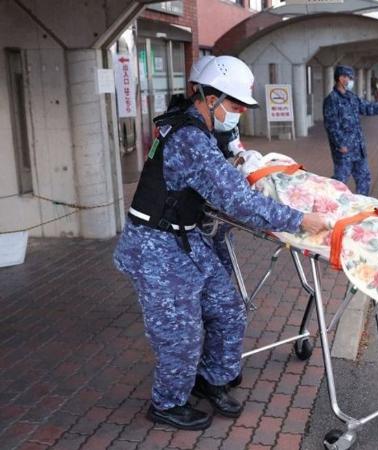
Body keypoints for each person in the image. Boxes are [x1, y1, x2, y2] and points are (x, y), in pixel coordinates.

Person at [113, 55, 328, 430]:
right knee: (181, 331)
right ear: (208, 97)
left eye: (243, 106)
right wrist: (298, 220)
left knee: (227, 308)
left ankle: (211, 378)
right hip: (155, 245)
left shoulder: (197, 128)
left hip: (183, 237)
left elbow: (214, 178)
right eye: (234, 104)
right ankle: (167, 403)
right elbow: (237, 201)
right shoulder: (190, 138)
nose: (239, 112)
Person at [323, 65, 378, 195]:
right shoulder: (332, 100)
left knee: (364, 179)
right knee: (339, 182)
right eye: (349, 77)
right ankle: (330, 206)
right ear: (341, 78)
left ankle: (362, 206)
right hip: (345, 150)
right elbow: (331, 125)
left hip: (358, 148)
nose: (351, 80)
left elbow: (368, 108)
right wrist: (340, 144)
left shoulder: (352, 97)